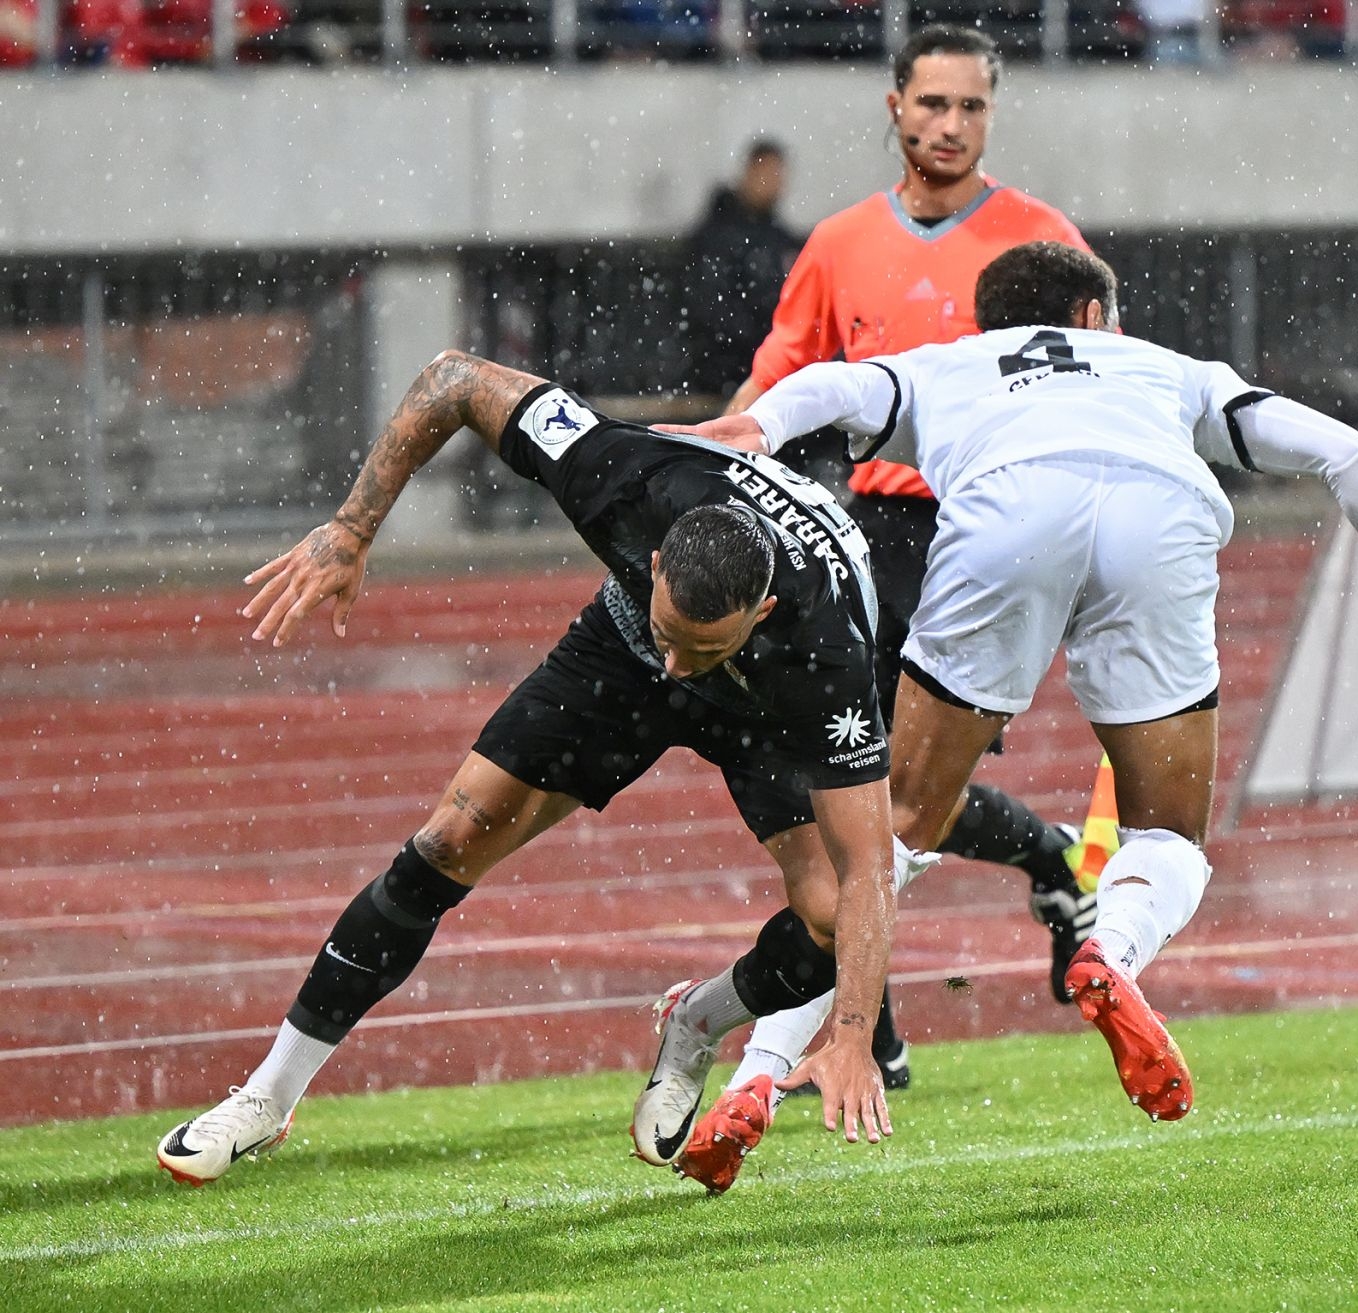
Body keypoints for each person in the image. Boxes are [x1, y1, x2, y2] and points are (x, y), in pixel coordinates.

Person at [661, 240, 1358, 1189]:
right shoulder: (1170, 369)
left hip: (1008, 512)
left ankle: (761, 1072)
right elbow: (1351, 455)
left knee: (886, 836)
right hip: (1158, 512)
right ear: (1096, 316)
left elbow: (834, 385)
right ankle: (1111, 948)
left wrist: (760, 423)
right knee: (1169, 835)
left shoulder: (951, 364)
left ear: (993, 322)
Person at [155, 349, 910, 1186]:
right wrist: (352, 527)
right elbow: (452, 379)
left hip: (766, 710)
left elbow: (871, 869)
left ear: (761, 612)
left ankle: (697, 1022)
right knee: (446, 842)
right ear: (656, 561)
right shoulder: (622, 476)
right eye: (676, 634)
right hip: (620, 652)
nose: (681, 666)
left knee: (830, 914)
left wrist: (852, 1033)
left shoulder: (828, 653)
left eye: (704, 648)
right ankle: (267, 1095)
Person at [716, 22, 1102, 1107]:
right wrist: (706, 473)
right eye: (932, 103)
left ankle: (877, 1023)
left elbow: (1104, 373)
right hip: (868, 535)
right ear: (895, 107)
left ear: (992, 114)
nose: (950, 125)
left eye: (971, 106)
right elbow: (778, 378)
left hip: (987, 534)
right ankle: (1034, 874)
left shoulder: (1040, 240)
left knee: (889, 793)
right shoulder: (839, 243)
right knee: (854, 783)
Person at [679, 139, 804, 399]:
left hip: (767, 371)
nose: (773, 183)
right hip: (724, 375)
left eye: (777, 175)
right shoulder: (717, 237)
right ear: (748, 173)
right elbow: (711, 309)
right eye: (766, 173)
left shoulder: (779, 239)